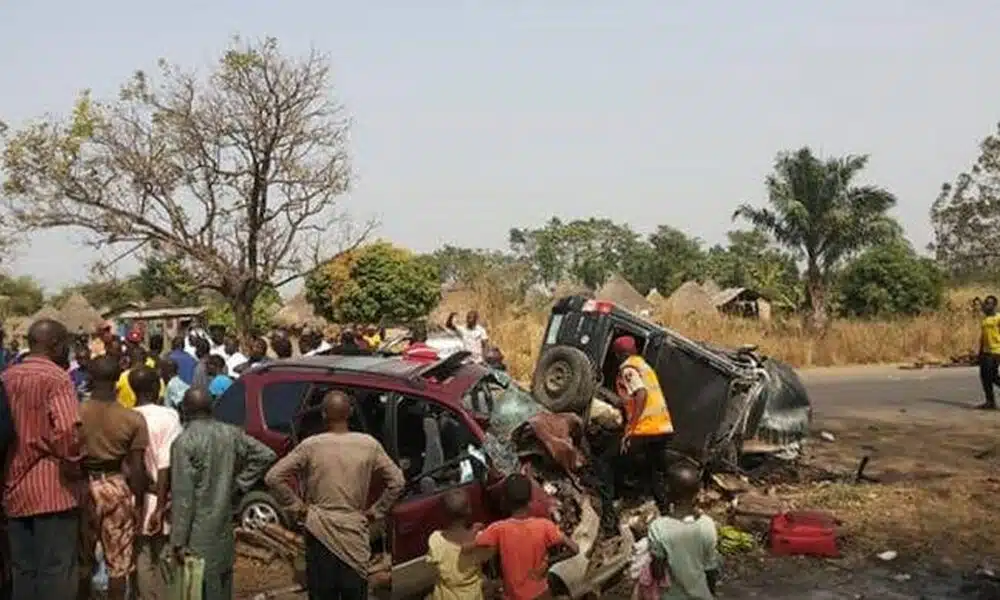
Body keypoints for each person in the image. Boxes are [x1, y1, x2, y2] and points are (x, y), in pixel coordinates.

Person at [265, 390, 404, 600]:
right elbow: (397, 482)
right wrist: (376, 512)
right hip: (354, 533)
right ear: (349, 413)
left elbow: (273, 477)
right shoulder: (368, 444)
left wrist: (298, 508)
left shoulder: (311, 446)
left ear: (323, 415)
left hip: (319, 529)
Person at [169, 387, 276, 600]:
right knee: (224, 580)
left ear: (186, 409)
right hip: (224, 523)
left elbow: (184, 497)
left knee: (201, 586)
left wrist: (178, 540)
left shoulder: (184, 442)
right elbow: (266, 454)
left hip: (198, 530)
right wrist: (239, 483)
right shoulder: (231, 433)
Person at [3, 319, 82, 600]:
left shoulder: (7, 377)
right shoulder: (57, 378)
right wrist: (73, 463)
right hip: (53, 487)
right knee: (57, 570)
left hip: (14, 486)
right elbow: (68, 431)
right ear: (56, 344)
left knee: (23, 570)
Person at [78, 356, 150, 600]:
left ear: (89, 380)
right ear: (118, 383)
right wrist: (138, 503)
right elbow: (137, 468)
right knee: (118, 564)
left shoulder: (77, 413)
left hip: (83, 487)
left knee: (83, 562)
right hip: (116, 486)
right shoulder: (133, 419)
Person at [471, 474, 578, 600]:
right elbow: (574, 549)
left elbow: (472, 546)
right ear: (530, 500)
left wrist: (474, 529)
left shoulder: (498, 529)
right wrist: (548, 563)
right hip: (542, 594)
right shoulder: (544, 525)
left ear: (504, 500)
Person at [131, 366, 184, 600]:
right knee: (162, 554)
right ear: (156, 387)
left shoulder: (128, 415)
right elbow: (165, 464)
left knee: (142, 555)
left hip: (136, 497)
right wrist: (161, 506)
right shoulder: (169, 416)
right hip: (160, 497)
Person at [612, 335, 673, 514]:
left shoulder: (628, 369)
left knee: (618, 460)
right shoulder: (644, 366)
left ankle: (621, 499)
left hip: (646, 427)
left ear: (620, 355)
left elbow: (641, 393)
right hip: (662, 426)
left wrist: (631, 427)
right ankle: (664, 507)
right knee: (655, 470)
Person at [646, 462, 721, 600]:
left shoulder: (658, 527)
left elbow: (658, 573)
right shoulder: (707, 525)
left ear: (667, 492)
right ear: (697, 493)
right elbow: (710, 569)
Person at [426, 489, 488, 600]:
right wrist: (475, 530)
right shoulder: (478, 539)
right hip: (472, 595)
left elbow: (433, 566)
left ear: (443, 513)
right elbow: (487, 555)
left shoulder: (435, 539)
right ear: (469, 510)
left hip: (445, 595)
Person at [978, 295, 1000, 410]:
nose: (987, 305)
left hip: (996, 351)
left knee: (991, 376)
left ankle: (990, 402)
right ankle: (990, 402)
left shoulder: (998, 318)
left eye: (990, 303)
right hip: (986, 351)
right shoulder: (985, 319)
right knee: (984, 376)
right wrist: (980, 351)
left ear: (995, 305)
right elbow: (983, 337)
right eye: (986, 303)